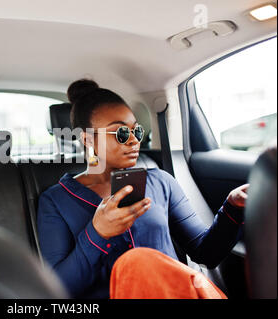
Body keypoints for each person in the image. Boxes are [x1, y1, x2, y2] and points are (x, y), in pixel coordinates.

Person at [37, 79, 248, 299]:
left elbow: (206, 253)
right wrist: (97, 233)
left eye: (135, 131)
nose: (133, 141)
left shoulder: (161, 182)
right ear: (88, 139)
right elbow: (57, 290)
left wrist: (232, 207)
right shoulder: (56, 200)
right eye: (120, 133)